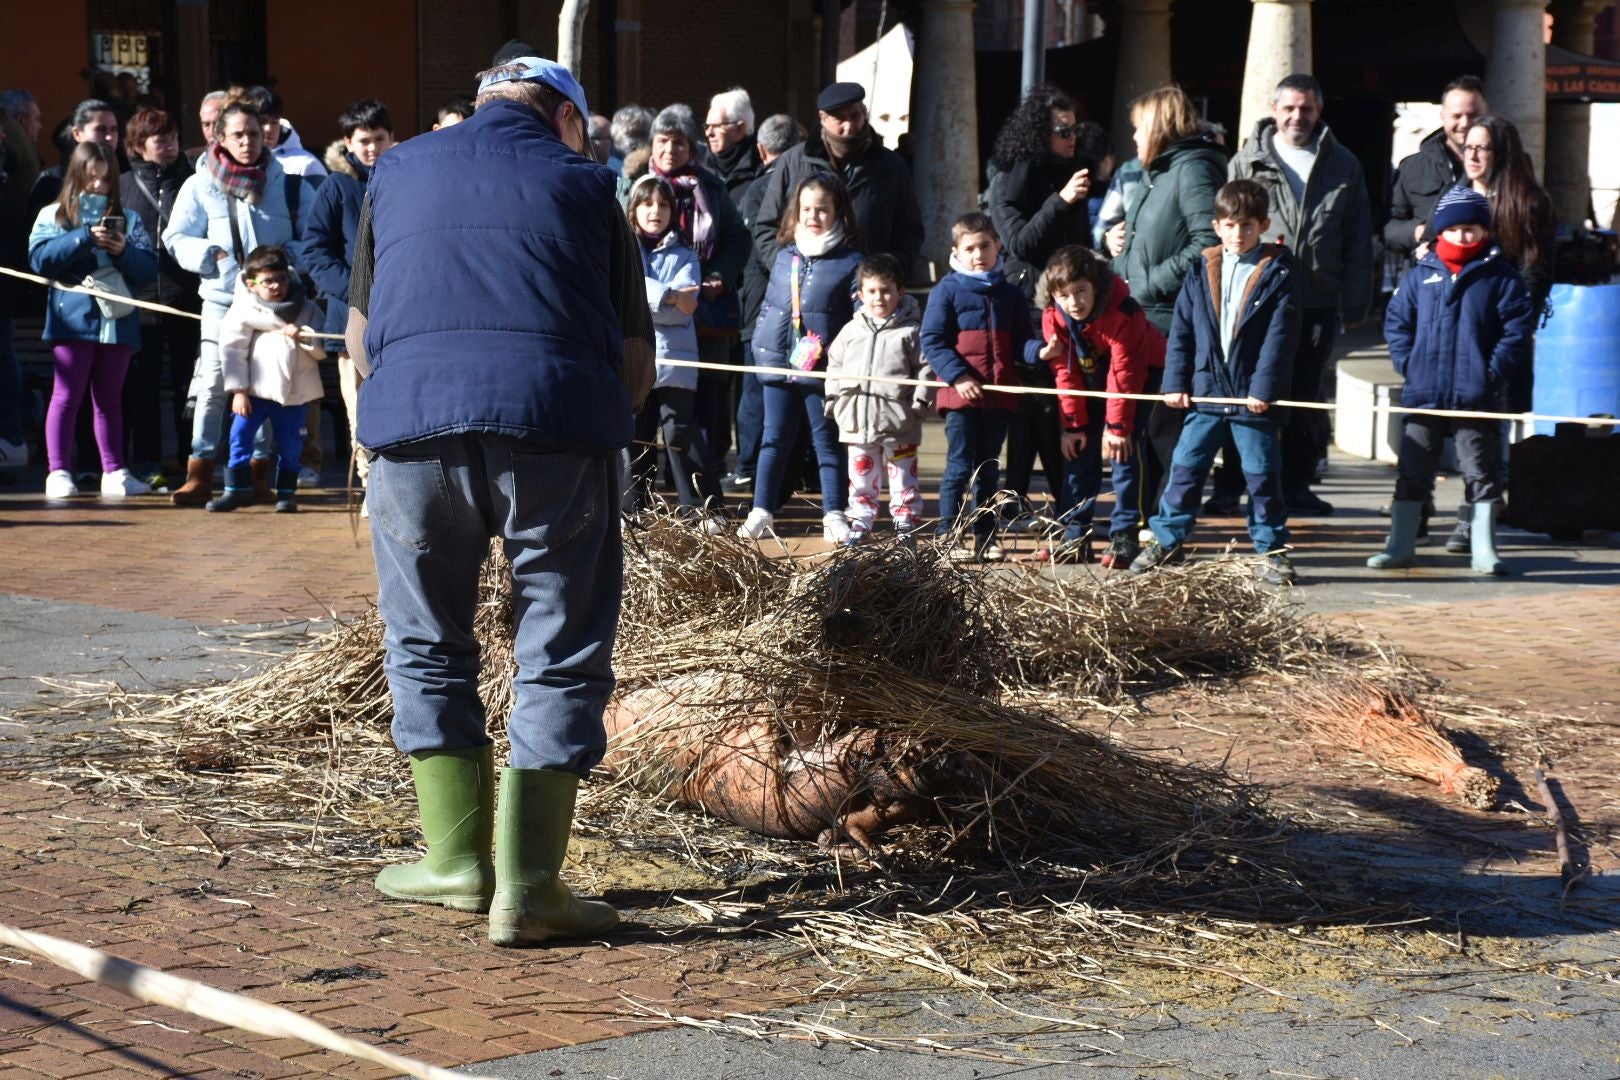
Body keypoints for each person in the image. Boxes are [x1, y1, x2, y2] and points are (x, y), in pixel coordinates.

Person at [348, 55, 653, 947]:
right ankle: (530, 887)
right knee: (559, 646)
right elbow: (634, 356)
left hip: (409, 435)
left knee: (426, 639)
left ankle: (452, 864)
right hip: (553, 429)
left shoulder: (395, 167)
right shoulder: (591, 184)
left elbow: (361, 339)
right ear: (564, 116)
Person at [1129, 179, 1302, 586]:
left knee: (1262, 476)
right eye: (1229, 225)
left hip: (1251, 398)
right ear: (1216, 226)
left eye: (1246, 226)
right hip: (1206, 392)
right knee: (1185, 470)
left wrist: (1264, 389)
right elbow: (1183, 333)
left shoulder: (1278, 273)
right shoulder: (1201, 268)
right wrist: (1175, 381)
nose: (1237, 235)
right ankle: (1167, 539)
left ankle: (1272, 549)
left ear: (1262, 225)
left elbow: (1280, 340)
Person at [1226, 73, 1373, 518]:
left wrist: (1357, 299)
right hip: (1257, 300)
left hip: (1317, 301)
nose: (1297, 116)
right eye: (1289, 107)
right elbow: (1225, 228)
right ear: (1275, 109)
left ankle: (1298, 484)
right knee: (1248, 390)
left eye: (1306, 108)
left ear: (1319, 111)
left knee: (1305, 396)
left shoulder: (1343, 164)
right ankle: (1235, 485)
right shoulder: (1246, 162)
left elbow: (1358, 237)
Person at [1371, 186, 1533, 577]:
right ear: (1440, 231)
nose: (1464, 236)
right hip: (1423, 394)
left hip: (1476, 395)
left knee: (1481, 469)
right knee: (1413, 470)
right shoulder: (1419, 276)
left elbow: (1515, 331)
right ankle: (1401, 545)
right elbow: (1397, 323)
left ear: (1485, 231)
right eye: (1456, 228)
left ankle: (1484, 549)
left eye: (1472, 229)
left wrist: (1491, 371)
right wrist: (1408, 364)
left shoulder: (1503, 278)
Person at [163, 98, 302, 506]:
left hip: (271, 302)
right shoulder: (199, 181)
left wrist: (285, 265)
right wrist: (209, 256)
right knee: (212, 385)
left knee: (264, 385)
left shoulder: (284, 179)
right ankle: (200, 472)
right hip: (222, 300)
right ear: (220, 138)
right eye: (238, 134)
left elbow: (306, 235)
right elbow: (177, 237)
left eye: (254, 134)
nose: (247, 142)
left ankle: (257, 474)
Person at [1107, 85, 1226, 514]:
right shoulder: (1160, 171)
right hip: (1143, 318)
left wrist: (1152, 281)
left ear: (1158, 127)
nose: (1134, 138)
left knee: (1162, 430)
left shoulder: (1192, 170)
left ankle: (1165, 525)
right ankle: (1141, 520)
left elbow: (1209, 241)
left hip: (1170, 321)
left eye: (1138, 129)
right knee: (1144, 431)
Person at [986, 84, 1094, 532]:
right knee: (1033, 409)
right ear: (1039, 133)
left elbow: (1077, 243)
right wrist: (1061, 200)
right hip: (1029, 307)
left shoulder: (1066, 173)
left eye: (1076, 130)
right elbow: (1021, 244)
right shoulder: (1013, 177)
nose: (1072, 138)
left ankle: (1063, 506)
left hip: (1067, 302)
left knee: (1060, 407)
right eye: (1062, 130)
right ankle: (1019, 500)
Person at [28, 141, 159, 499]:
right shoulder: (53, 215)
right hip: (71, 320)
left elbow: (148, 269)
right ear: (76, 176)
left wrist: (122, 252)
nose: (99, 187)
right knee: (66, 396)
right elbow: (39, 260)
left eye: (105, 180)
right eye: (91, 179)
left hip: (117, 320)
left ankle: (114, 471)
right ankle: (58, 471)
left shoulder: (128, 219)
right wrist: (83, 238)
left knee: (110, 398)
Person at [737, 173, 863, 543]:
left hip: (823, 368)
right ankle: (761, 510)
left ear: (838, 212)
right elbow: (772, 305)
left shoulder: (851, 261)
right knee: (773, 439)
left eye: (822, 209)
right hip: (777, 361)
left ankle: (834, 513)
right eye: (806, 209)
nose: (813, 216)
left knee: (826, 441)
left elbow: (858, 318)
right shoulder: (784, 255)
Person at [1037, 244, 1166, 568]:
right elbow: (1065, 373)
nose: (1074, 302)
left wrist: (1118, 428)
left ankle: (1126, 534)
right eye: (1064, 295)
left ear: (1095, 286)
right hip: (1089, 378)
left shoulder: (1123, 313)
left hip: (1139, 376)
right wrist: (1073, 426)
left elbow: (1126, 374)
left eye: (1081, 291)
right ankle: (1075, 534)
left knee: (1124, 452)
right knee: (1078, 452)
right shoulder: (1054, 316)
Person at [922, 212, 1036, 562]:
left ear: (997, 245)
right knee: (958, 467)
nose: (978, 254)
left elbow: (1022, 342)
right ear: (957, 250)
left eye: (985, 245)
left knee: (989, 468)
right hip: (960, 397)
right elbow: (932, 339)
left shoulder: (1011, 294)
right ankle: (949, 535)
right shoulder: (947, 290)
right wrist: (958, 376)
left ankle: (986, 537)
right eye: (970, 248)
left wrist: (1040, 351)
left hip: (999, 396)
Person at [647, 104, 749, 471]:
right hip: (653, 314)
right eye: (662, 141)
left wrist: (719, 275)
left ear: (691, 148)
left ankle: (704, 480)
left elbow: (739, 238)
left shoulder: (711, 187)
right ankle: (651, 488)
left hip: (704, 307)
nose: (670, 150)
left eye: (678, 142)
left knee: (706, 399)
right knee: (649, 404)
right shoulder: (635, 187)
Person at [304, 98, 395, 500]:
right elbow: (314, 250)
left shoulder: (404, 177)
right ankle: (369, 486)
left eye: (379, 138)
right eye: (364, 140)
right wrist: (356, 293)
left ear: (392, 137)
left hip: (399, 314)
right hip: (351, 317)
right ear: (347, 142)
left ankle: (395, 486)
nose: (372, 147)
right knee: (358, 408)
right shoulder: (335, 185)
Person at [622, 174, 723, 524]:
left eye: (663, 204)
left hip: (675, 359)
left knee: (680, 431)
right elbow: (624, 293)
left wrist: (647, 297)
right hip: (633, 358)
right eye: (647, 203)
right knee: (635, 433)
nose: (656, 211)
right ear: (633, 209)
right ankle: (633, 510)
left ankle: (701, 509)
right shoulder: (621, 247)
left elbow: (687, 306)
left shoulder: (685, 254)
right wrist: (667, 295)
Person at [752, 82, 924, 278]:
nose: (849, 126)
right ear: (823, 119)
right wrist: (788, 270)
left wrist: (889, 273)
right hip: (804, 288)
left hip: (868, 291)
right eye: (839, 119)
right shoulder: (793, 162)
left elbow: (910, 230)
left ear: (865, 114)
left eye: (855, 116)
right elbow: (766, 227)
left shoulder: (890, 165)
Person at [206, 244, 326, 512]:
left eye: (281, 278)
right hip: (254, 393)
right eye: (267, 281)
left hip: (295, 393)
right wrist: (239, 390)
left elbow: (321, 351)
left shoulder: (308, 310)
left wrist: (305, 335)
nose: (276, 286)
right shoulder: (242, 311)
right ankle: (236, 489)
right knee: (240, 436)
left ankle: (286, 493)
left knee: (291, 444)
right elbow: (232, 350)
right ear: (252, 285)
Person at [824, 253, 929, 544]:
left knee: (903, 478)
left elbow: (926, 369)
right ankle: (860, 522)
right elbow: (834, 365)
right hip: (857, 420)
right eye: (871, 291)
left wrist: (919, 404)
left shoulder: (911, 332)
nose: (878, 297)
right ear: (860, 294)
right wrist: (834, 400)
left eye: (886, 290)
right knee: (860, 480)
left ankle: (905, 522)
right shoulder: (850, 331)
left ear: (900, 292)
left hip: (899, 421)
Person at [119, 106, 200, 485]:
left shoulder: (195, 180)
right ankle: (147, 460)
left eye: (172, 136)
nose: (169, 144)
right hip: (141, 300)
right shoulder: (122, 186)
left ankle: (191, 460)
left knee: (190, 384)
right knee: (143, 386)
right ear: (138, 145)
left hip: (188, 297)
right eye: (159, 138)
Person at [731, 113, 804, 492]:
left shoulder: (757, 189)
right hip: (786, 298)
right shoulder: (806, 183)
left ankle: (749, 465)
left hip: (762, 303)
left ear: (761, 149)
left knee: (758, 389)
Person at [1385, 75, 1487, 259]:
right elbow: (1389, 228)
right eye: (1456, 116)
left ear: (1486, 115)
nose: (1464, 124)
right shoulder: (1412, 167)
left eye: (1473, 115)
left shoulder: (1507, 164)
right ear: (1443, 117)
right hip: (1428, 276)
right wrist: (1419, 233)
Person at [30, 100, 121, 215]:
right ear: (77, 134)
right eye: (100, 130)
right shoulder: (51, 181)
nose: (109, 137)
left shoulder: (125, 179)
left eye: (114, 130)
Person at [246, 86, 328, 182]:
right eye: (262, 121)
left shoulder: (306, 164)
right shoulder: (232, 162)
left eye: (274, 121)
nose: (269, 128)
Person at [705, 87, 759, 196]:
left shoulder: (760, 168)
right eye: (707, 126)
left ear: (740, 128)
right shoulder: (700, 166)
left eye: (717, 126)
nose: (709, 133)